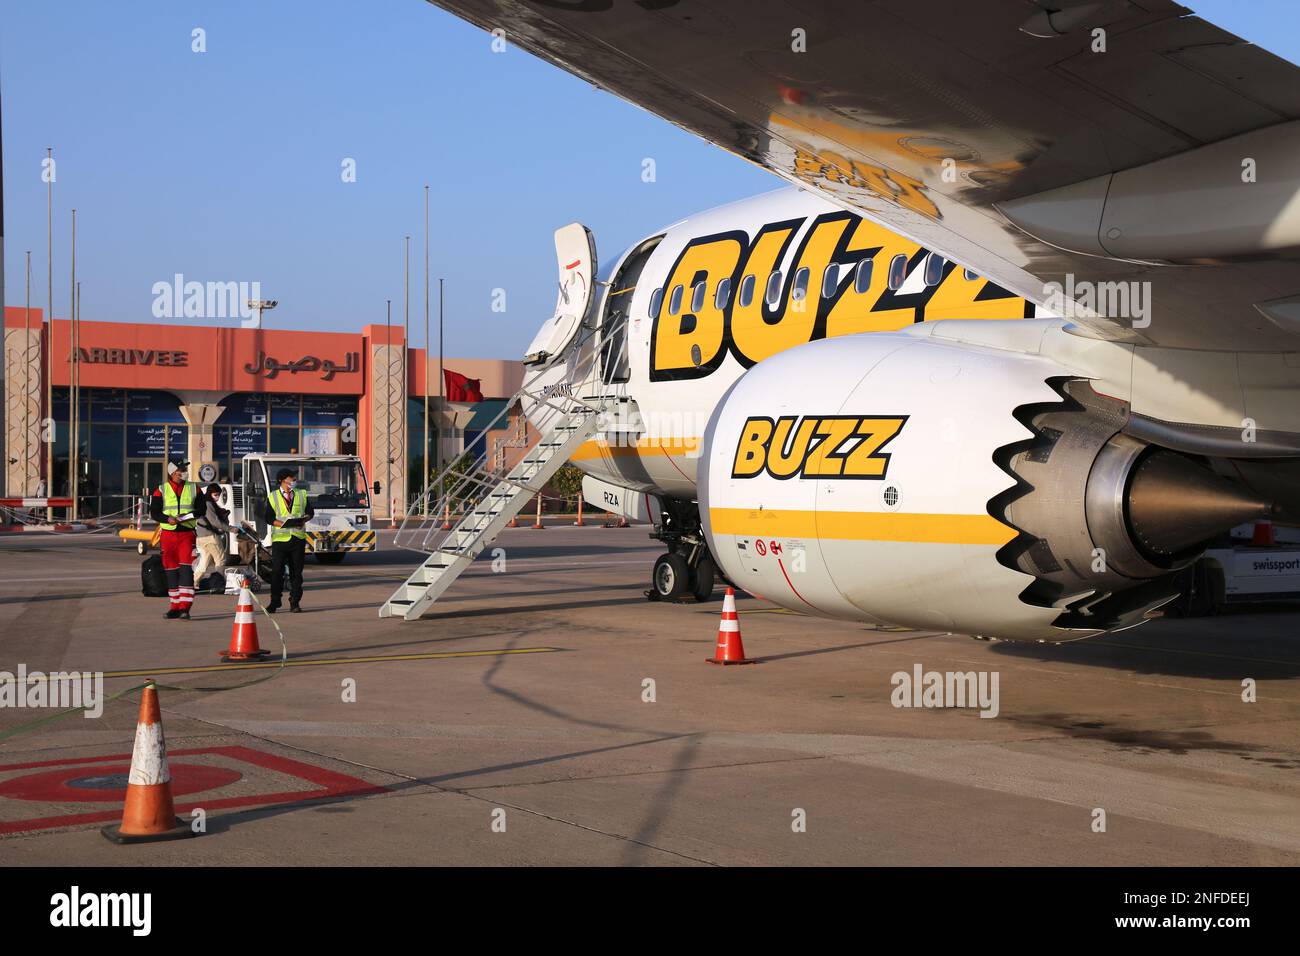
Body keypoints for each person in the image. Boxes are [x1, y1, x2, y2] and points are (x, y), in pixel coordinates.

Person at [150, 459, 198, 620]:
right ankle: (174, 606)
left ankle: (185, 607)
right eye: (181, 469)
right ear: (172, 472)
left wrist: (188, 516)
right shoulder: (160, 490)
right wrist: (167, 519)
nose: (184, 472)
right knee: (171, 571)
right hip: (168, 535)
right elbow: (154, 513)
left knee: (185, 570)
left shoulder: (194, 488)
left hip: (187, 534)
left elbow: (202, 509)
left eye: (185, 469)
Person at [261, 467, 314, 613]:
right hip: (280, 540)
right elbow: (269, 518)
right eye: (292, 479)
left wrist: (305, 519)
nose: (294, 481)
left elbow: (310, 512)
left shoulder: (301, 494)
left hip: (297, 539)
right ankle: (275, 601)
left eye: (294, 479)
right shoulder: (273, 496)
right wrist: (282, 524)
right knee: (277, 572)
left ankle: (295, 602)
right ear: (282, 481)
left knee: (296, 573)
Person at [193, 483, 231, 592]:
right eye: (215, 494)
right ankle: (218, 583)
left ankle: (193, 582)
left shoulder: (203, 502)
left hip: (200, 537)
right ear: (210, 493)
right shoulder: (208, 504)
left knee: (204, 562)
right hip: (210, 537)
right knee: (221, 560)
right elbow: (215, 522)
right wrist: (229, 528)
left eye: (218, 494)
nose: (217, 497)